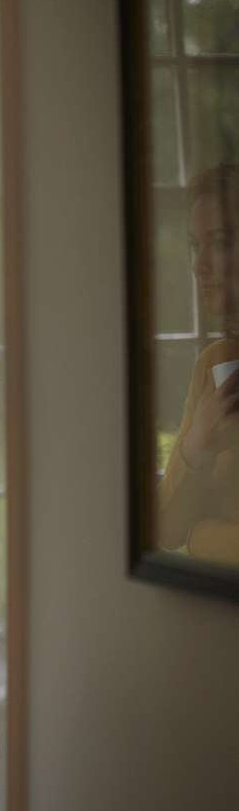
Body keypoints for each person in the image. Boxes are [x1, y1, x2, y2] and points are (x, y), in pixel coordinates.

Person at [159, 164, 239, 567]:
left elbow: (185, 537)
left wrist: (201, 538)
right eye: (195, 245)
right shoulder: (215, 364)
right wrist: (197, 447)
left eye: (220, 243)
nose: (199, 265)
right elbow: (167, 529)